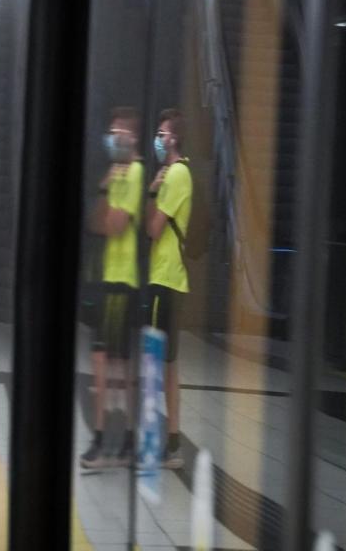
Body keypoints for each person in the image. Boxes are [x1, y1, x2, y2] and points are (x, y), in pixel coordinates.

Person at [80, 107, 144, 469]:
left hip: (123, 281)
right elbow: (94, 222)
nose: (113, 137)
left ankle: (114, 439)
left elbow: (115, 226)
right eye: (111, 131)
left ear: (131, 137)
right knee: (108, 362)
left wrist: (108, 207)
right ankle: (113, 439)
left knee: (112, 362)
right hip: (107, 278)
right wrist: (106, 187)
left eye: (119, 132)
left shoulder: (135, 173)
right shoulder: (115, 174)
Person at [145, 108, 192, 469]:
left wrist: (153, 192)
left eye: (162, 135)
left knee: (159, 364)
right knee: (166, 365)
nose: (158, 141)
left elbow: (153, 229)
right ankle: (170, 442)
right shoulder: (179, 173)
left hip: (166, 279)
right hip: (168, 278)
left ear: (173, 139)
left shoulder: (176, 174)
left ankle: (167, 444)